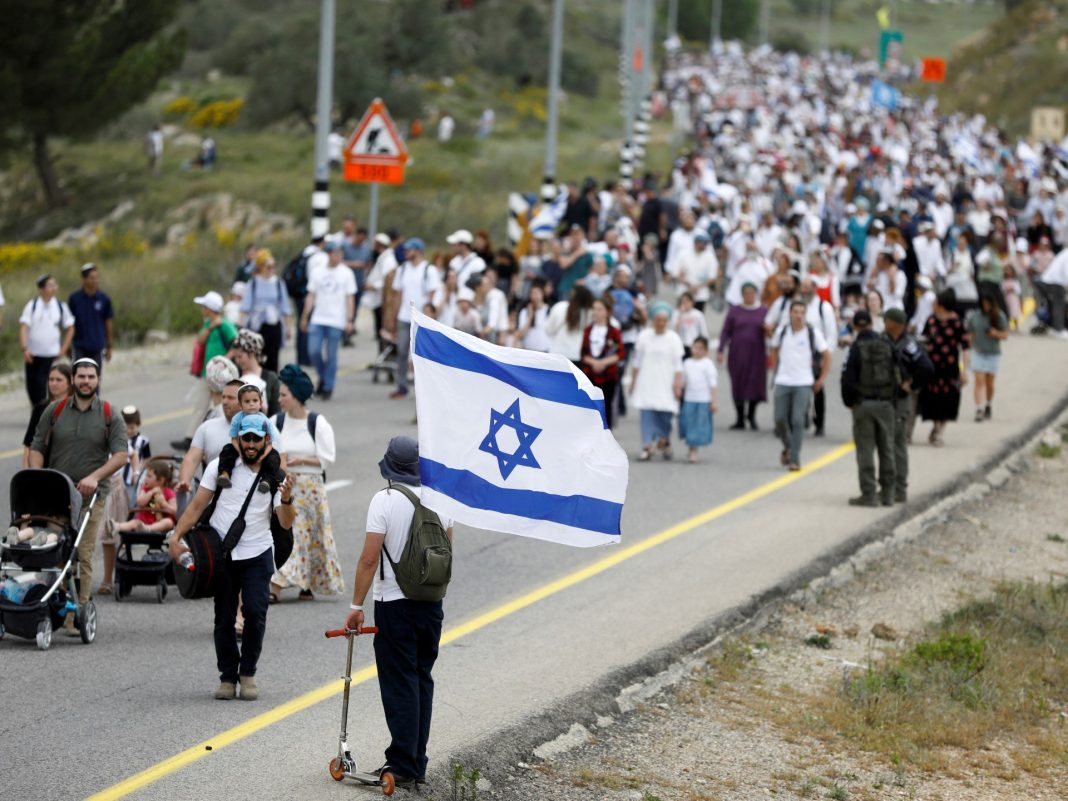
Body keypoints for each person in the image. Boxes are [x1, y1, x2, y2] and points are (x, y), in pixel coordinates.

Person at [344, 436, 454, 789]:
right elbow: (447, 549)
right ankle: (416, 760)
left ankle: (402, 764)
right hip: (431, 605)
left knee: (400, 684)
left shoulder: (385, 500)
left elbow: (368, 558)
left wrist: (356, 607)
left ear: (391, 467)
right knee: (422, 679)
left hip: (395, 605)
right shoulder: (443, 498)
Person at [169, 415, 296, 701]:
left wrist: (287, 499)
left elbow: (285, 523)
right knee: (223, 618)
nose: (251, 444)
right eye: (246, 438)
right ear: (237, 439)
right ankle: (227, 676)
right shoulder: (219, 467)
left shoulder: (277, 476)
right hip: (223, 554)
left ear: (267, 441)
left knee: (255, 613)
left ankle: (247, 673)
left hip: (258, 553)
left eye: (256, 439)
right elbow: (196, 507)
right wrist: (175, 538)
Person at [29, 358, 127, 632]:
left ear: (98, 380)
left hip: (90, 497)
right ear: (73, 380)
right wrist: (38, 475)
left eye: (90, 376)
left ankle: (77, 614)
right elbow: (37, 445)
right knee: (56, 552)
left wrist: (95, 477)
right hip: (58, 494)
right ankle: (56, 608)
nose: (85, 381)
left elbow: (120, 455)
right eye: (81, 376)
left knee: (82, 553)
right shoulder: (55, 409)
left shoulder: (109, 414)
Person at [269, 365, 344, 602]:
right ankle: (275, 586)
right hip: (285, 484)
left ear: (297, 396)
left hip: (310, 488)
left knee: (312, 536)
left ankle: (306, 584)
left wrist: (300, 459)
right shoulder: (276, 421)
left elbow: (327, 458)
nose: (279, 399)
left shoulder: (317, 423)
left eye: (284, 395)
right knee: (293, 533)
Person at [840, 310, 897, 507]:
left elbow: (847, 379)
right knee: (887, 449)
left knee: (865, 450)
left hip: (863, 405)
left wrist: (850, 402)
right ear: (872, 324)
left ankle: (869, 493)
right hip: (886, 404)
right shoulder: (887, 344)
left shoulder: (856, 348)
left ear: (855, 326)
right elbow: (898, 371)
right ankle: (889, 493)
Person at [769, 300, 831, 471]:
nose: (798, 315)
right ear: (790, 313)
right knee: (780, 418)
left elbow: (827, 355)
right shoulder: (782, 332)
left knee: (798, 420)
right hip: (783, 380)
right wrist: (776, 368)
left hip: (803, 381)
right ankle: (788, 446)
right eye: (795, 312)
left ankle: (795, 458)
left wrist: (821, 378)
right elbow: (774, 349)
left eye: (801, 312)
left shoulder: (812, 333)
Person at [172, 291, 237, 451]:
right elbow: (200, 340)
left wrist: (224, 361)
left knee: (219, 403)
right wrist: (210, 328)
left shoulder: (225, 325)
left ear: (210, 308)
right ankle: (191, 437)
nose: (202, 310)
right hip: (207, 372)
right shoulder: (209, 324)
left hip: (220, 373)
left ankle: (218, 434)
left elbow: (235, 343)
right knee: (201, 404)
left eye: (204, 307)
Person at [883, 308, 934, 503]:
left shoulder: (909, 345)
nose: (885, 323)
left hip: (900, 400)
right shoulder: (884, 339)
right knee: (886, 445)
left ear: (894, 323)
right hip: (885, 399)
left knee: (897, 445)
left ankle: (899, 488)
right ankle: (887, 487)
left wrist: (911, 385)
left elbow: (927, 368)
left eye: (887, 320)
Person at [301, 241, 356, 401]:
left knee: (332, 355)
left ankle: (328, 386)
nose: (338, 257)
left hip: (336, 320)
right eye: (335, 254)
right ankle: (322, 375)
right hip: (318, 317)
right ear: (329, 254)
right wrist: (305, 316)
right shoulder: (318, 272)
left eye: (340, 254)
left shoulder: (346, 273)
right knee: (314, 351)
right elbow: (311, 295)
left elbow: (349, 297)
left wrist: (350, 319)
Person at [630, 302, 685, 461]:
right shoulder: (644, 336)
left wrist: (678, 383)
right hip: (647, 380)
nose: (660, 323)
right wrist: (633, 382)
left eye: (664, 320)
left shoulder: (673, 338)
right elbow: (637, 362)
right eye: (658, 319)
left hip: (666, 382)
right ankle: (648, 445)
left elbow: (678, 365)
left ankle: (664, 440)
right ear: (653, 320)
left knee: (665, 414)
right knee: (647, 412)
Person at [389, 238, 441, 399]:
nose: (406, 252)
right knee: (402, 351)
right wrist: (393, 316)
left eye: (409, 250)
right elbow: (398, 294)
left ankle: (423, 387)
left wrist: (430, 315)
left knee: (421, 354)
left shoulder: (428, 270)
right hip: (405, 316)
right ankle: (402, 385)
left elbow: (433, 294)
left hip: (422, 318)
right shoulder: (403, 269)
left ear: (418, 251)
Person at [919, 289, 970, 447]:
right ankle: (935, 426)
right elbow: (923, 341)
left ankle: (940, 431)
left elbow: (966, 348)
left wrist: (964, 370)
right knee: (932, 400)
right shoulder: (931, 321)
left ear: (942, 305)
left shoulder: (957, 323)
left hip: (950, 368)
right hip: (932, 368)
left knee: (949, 400)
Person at [177, 376, 243, 495]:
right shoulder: (207, 427)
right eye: (223, 397)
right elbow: (191, 459)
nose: (225, 401)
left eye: (231, 398)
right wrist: (185, 480)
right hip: (213, 499)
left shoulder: (260, 428)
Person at [216, 384, 286, 492]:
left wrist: (262, 456)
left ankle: (266, 481)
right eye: (247, 401)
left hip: (261, 449)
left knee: (274, 457)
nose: (251, 404)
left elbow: (270, 443)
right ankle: (225, 474)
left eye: (254, 400)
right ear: (240, 404)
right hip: (241, 446)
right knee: (227, 450)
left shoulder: (266, 421)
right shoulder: (237, 418)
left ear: (260, 403)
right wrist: (240, 452)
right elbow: (234, 439)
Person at [717, 282, 768, 431]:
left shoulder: (763, 311)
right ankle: (739, 417)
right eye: (746, 293)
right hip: (737, 353)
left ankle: (751, 415)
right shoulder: (735, 311)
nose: (749, 296)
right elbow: (726, 331)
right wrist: (721, 350)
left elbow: (770, 331)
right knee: (738, 382)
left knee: (755, 383)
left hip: (756, 353)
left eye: (752, 293)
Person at [18, 274, 74, 406]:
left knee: (43, 383)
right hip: (33, 353)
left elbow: (70, 328)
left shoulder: (60, 306)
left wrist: (64, 348)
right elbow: (24, 328)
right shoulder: (32, 305)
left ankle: (44, 412)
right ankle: (37, 409)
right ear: (41, 289)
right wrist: (25, 348)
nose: (54, 288)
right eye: (50, 285)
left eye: (55, 285)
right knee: (31, 385)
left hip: (51, 354)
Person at [240, 249, 293, 373]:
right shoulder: (253, 284)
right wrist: (241, 329)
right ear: (260, 267)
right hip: (257, 328)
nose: (271, 269)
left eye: (273, 266)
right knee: (258, 359)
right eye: (268, 267)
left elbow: (285, 307)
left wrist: (288, 327)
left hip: (274, 325)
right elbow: (245, 308)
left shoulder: (279, 283)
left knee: (273, 359)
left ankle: (271, 388)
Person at [579, 297, 624, 429]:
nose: (595, 312)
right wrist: (594, 363)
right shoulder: (588, 330)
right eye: (594, 309)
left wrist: (603, 362)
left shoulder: (613, 331)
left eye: (599, 309)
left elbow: (619, 353)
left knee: (607, 405)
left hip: (608, 375)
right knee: (590, 405)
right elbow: (583, 353)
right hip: (590, 374)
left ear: (607, 312)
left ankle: (606, 432)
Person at [967, 291, 1009, 422]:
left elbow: (1005, 335)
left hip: (992, 353)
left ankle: (988, 404)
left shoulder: (999, 316)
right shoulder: (975, 317)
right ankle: (979, 408)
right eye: (983, 304)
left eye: (988, 304)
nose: (986, 306)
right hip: (978, 352)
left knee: (990, 383)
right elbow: (970, 333)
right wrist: (969, 348)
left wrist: (995, 333)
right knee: (979, 381)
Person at [21, 362, 72, 468]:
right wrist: (25, 469)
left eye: (59, 380)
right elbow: (29, 442)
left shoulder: (76, 407)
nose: (53, 383)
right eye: (51, 379)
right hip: (43, 466)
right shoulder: (41, 408)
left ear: (70, 382)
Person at [108, 460, 177, 535]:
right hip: (143, 521)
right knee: (134, 522)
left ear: (161, 480)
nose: (145, 478)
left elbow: (174, 511)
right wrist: (150, 493)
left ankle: (148, 529)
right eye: (146, 475)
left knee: (168, 522)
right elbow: (140, 502)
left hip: (160, 522)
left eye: (149, 476)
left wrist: (164, 504)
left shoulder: (169, 492)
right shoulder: (146, 490)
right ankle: (117, 526)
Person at [68, 263, 114, 371]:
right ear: (83, 279)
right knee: (79, 378)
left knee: (94, 379)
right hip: (79, 345)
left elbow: (108, 322)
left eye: (97, 278)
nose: (95, 281)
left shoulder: (104, 299)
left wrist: (109, 345)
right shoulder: (75, 299)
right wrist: (67, 345)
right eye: (91, 278)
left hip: (96, 346)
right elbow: (69, 324)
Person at [679, 336, 718, 463]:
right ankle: (691, 446)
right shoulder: (687, 363)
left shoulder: (708, 364)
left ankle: (693, 450)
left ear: (706, 351)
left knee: (698, 425)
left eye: (701, 348)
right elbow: (683, 381)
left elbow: (712, 384)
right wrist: (679, 390)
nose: (697, 350)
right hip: (689, 398)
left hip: (703, 400)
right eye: (695, 347)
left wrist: (713, 401)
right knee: (688, 423)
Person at [228, 329, 280, 416]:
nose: (237, 361)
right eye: (235, 357)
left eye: (240, 357)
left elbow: (276, 411)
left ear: (252, 353)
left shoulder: (271, 378)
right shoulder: (235, 376)